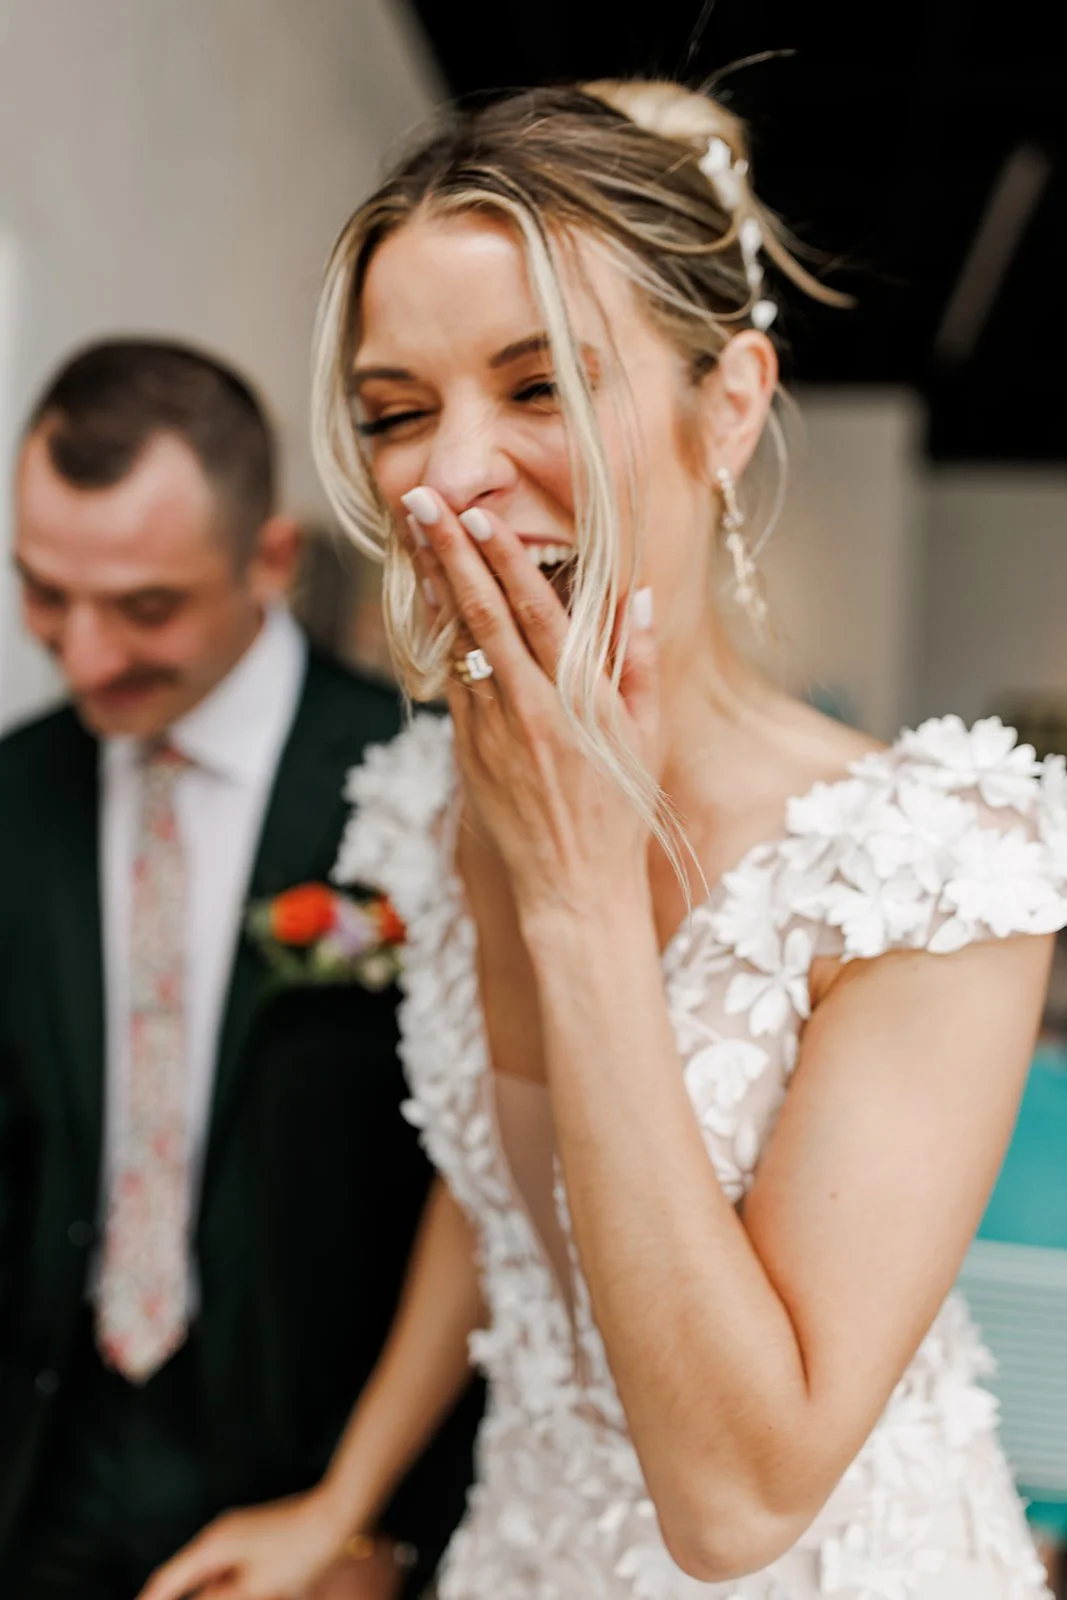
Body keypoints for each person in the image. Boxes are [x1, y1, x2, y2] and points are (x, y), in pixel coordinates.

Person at [143, 82, 1067, 1600]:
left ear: (730, 406)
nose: (448, 477)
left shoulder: (934, 864)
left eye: (541, 384)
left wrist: (575, 896)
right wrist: (343, 1500)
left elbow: (737, 1503)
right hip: (526, 1545)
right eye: (395, 413)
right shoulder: (433, 798)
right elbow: (498, 1206)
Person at [0, 339, 480, 1600]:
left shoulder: (419, 779)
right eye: (44, 593)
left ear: (269, 560)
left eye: (145, 608)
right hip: (45, 1473)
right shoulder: (15, 792)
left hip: (314, 1483)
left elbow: (484, 1185)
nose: (85, 655)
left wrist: (377, 1524)